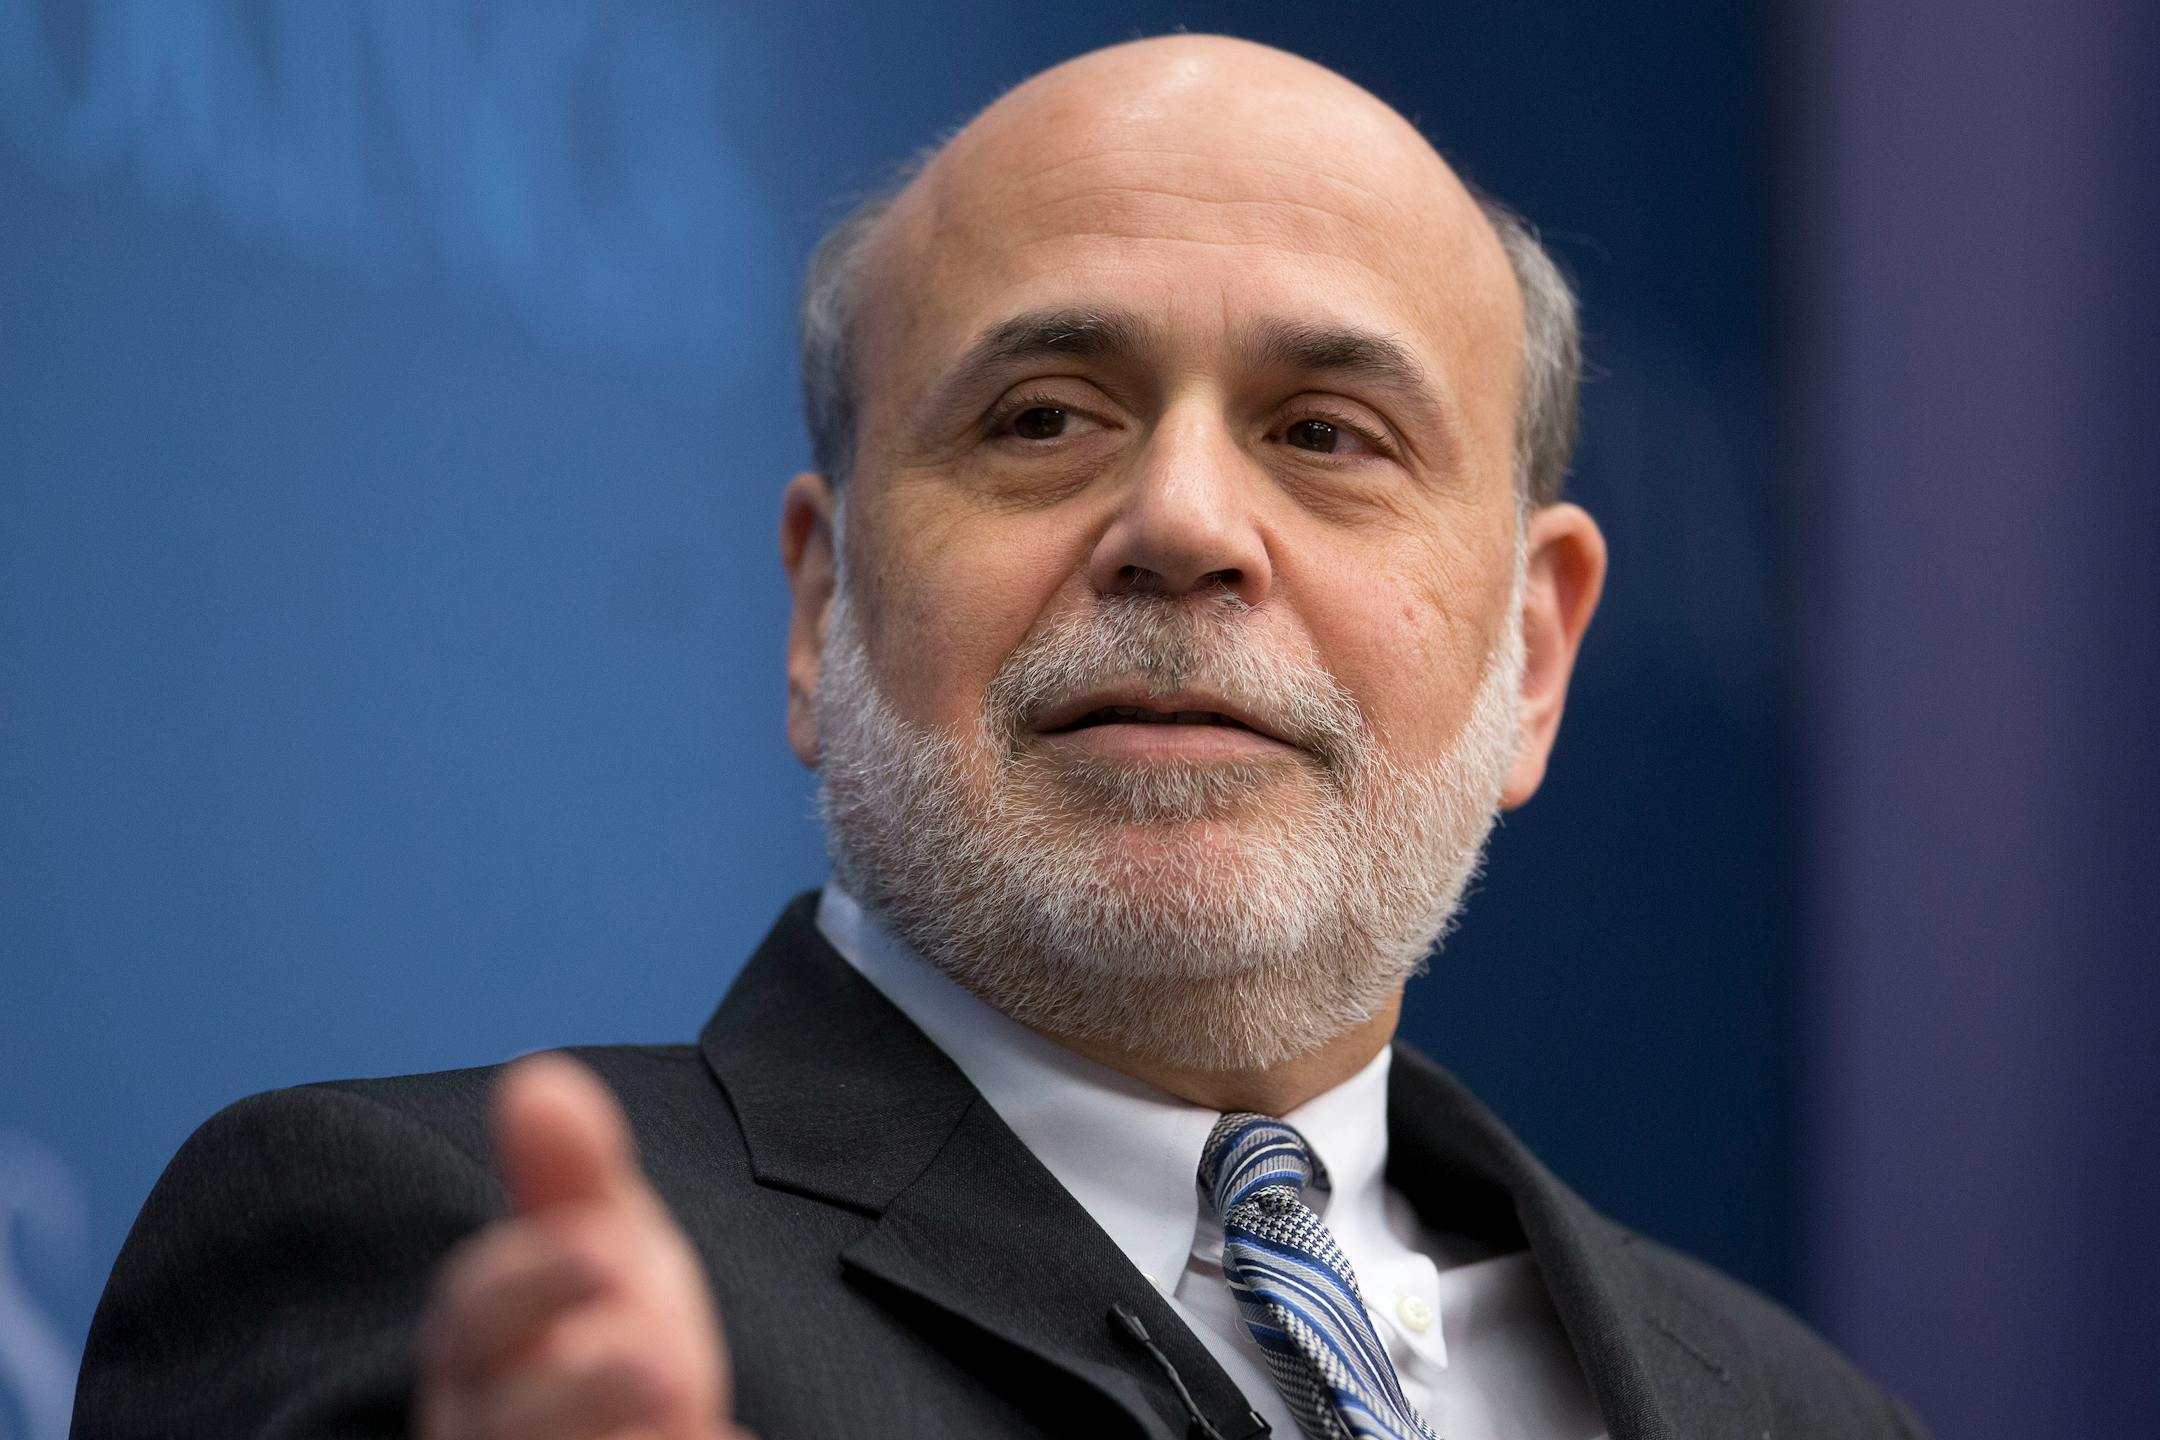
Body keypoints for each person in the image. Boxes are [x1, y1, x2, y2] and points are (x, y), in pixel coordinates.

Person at [70, 34, 1926, 1440]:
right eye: (1042, 418)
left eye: (1327, 434)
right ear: (821, 609)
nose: (1186, 522)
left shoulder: (1795, 1409)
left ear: (1532, 652)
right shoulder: (441, 1263)